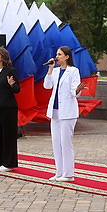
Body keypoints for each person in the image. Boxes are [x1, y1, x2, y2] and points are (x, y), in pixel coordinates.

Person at [43, 46, 87, 182]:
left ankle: (68, 174)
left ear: (67, 57)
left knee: (65, 142)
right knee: (56, 142)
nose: (57, 56)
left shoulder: (73, 71)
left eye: (60, 54)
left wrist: (78, 89)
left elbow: (75, 91)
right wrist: (50, 69)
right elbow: (47, 86)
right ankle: (59, 171)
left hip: (67, 111)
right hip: (55, 110)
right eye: (56, 54)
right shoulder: (55, 71)